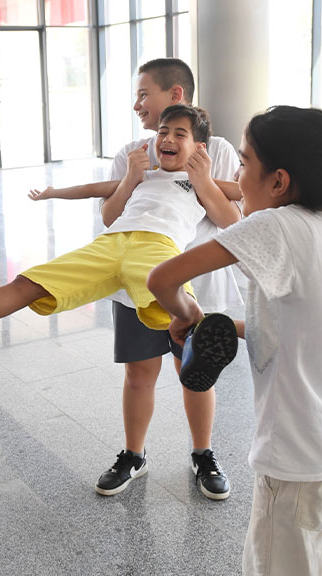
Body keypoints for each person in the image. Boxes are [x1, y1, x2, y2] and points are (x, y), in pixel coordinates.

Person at [147, 105, 322, 576]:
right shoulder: (318, 226)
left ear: (278, 181)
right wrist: (218, 323)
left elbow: (163, 278)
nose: (236, 175)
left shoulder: (275, 225)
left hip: (299, 459)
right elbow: (295, 327)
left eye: (243, 163)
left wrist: (188, 313)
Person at [30, 58, 242, 500]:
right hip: (136, 285)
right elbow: (110, 217)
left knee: (196, 375)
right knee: (139, 374)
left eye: (144, 94)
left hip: (196, 288)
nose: (137, 104)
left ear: (176, 96)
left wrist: (200, 180)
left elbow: (230, 220)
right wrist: (129, 177)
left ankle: (203, 455)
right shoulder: (132, 150)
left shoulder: (217, 148)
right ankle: (134, 454)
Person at [0, 105, 238, 358]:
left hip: (157, 246)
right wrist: (120, 180)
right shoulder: (143, 175)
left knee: (175, 293)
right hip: (109, 245)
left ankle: (201, 340)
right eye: (163, 131)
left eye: (180, 134)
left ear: (200, 149)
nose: (168, 138)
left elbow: (233, 215)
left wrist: (203, 179)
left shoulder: (202, 182)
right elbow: (97, 199)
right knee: (28, 283)